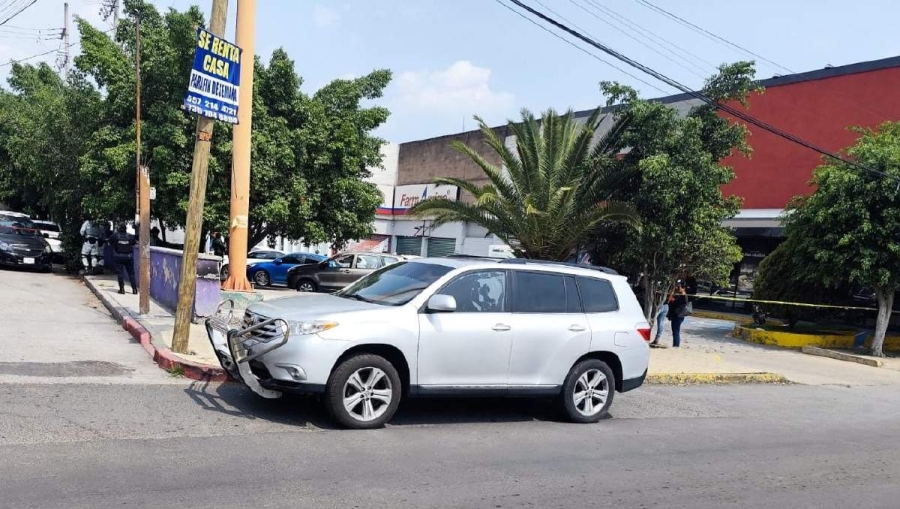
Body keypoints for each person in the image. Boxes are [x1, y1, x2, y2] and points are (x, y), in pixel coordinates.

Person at [110, 223, 137, 295]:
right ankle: (134, 289)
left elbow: (110, 242)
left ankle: (122, 289)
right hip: (128, 257)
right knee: (131, 273)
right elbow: (133, 243)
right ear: (126, 229)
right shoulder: (130, 236)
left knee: (120, 273)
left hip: (118, 256)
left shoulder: (115, 236)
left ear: (119, 228)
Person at [666, 281, 690, 348]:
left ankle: (676, 345)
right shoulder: (679, 295)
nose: (677, 288)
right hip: (677, 315)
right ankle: (675, 344)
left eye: (679, 286)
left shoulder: (683, 296)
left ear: (683, 288)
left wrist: (672, 300)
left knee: (676, 330)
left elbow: (676, 304)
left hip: (678, 315)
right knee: (675, 330)